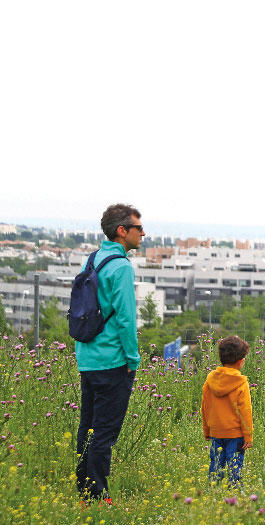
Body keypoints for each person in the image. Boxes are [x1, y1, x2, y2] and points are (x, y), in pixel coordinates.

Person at [75, 204, 144, 505]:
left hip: (87, 356)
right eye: (138, 228)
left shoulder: (92, 260)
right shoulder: (121, 267)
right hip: (113, 361)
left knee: (88, 426)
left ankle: (83, 488)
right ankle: (97, 495)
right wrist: (133, 360)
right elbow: (127, 320)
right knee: (105, 431)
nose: (143, 233)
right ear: (122, 231)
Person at [202, 335, 254, 486]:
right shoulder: (240, 383)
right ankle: (235, 492)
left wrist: (207, 430)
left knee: (216, 465)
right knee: (234, 466)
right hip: (235, 434)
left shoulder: (210, 380)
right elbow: (245, 411)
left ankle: (213, 490)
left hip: (216, 432)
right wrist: (248, 435)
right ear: (241, 361)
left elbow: (205, 407)